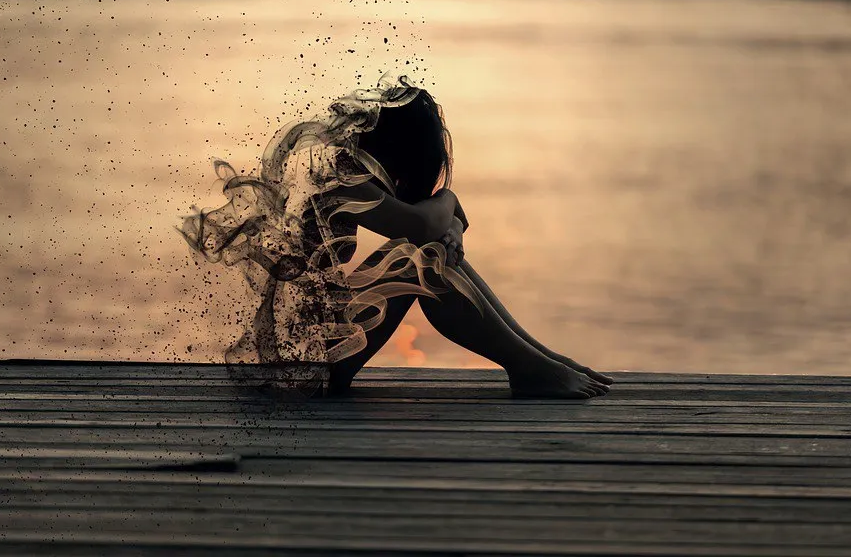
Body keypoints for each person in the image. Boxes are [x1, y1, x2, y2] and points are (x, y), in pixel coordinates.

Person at [179, 72, 612, 399]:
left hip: (309, 350)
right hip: (300, 366)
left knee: (422, 251)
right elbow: (426, 223)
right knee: (417, 258)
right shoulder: (339, 178)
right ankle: (531, 367)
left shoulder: (347, 170)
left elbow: (434, 220)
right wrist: (450, 203)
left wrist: (450, 223)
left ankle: (537, 359)